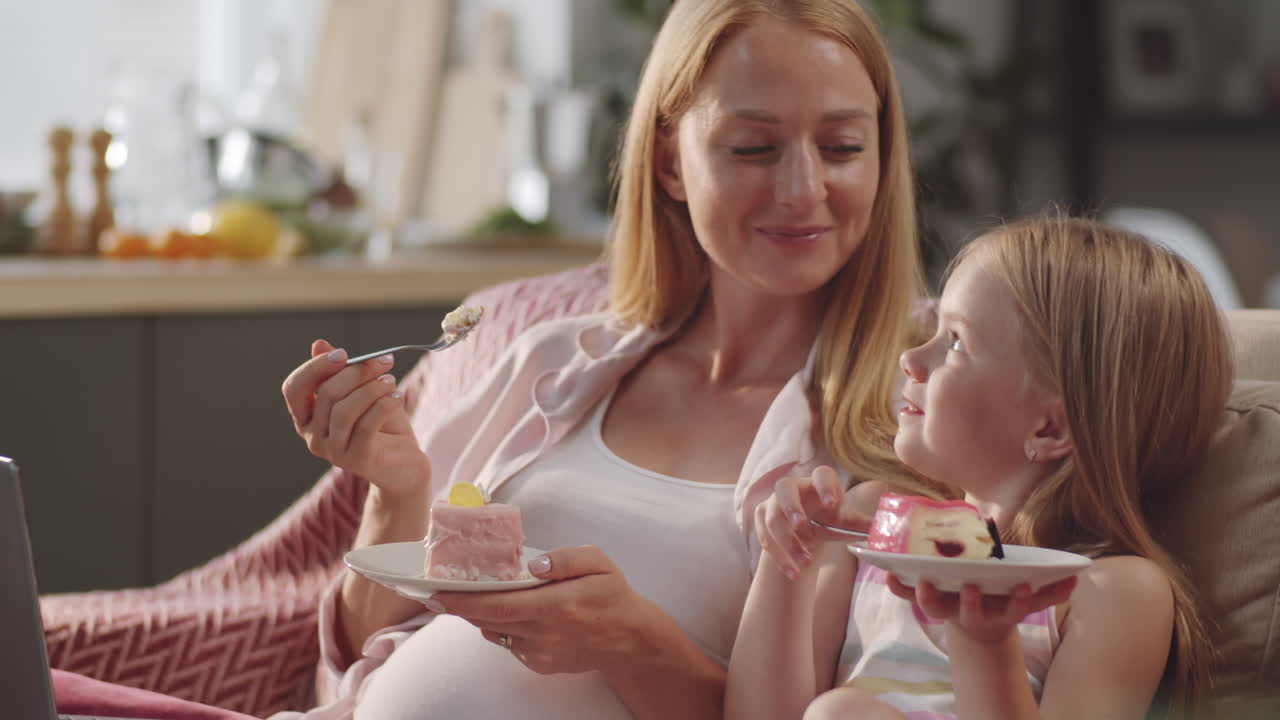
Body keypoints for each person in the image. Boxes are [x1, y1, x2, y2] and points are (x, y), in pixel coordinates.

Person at [274, 1, 929, 718]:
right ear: (669, 161)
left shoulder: (918, 419)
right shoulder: (553, 363)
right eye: (752, 148)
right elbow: (365, 645)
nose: (804, 189)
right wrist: (396, 493)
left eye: (842, 148)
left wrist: (633, 645)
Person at [726, 214, 1231, 720]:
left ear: (1049, 430)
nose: (911, 358)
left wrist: (983, 641)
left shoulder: (1114, 591)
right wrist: (788, 559)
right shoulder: (870, 517)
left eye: (956, 342)